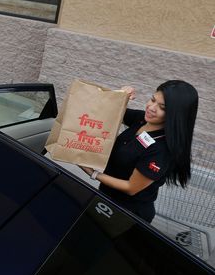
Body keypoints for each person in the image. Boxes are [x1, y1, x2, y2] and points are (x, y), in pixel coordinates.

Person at [79, 80, 199, 223]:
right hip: (106, 197)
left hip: (127, 212)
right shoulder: (142, 119)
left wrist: (93, 173)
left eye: (162, 107)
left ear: (176, 114)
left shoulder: (161, 150)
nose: (151, 108)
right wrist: (120, 96)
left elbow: (131, 187)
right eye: (152, 99)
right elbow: (108, 109)